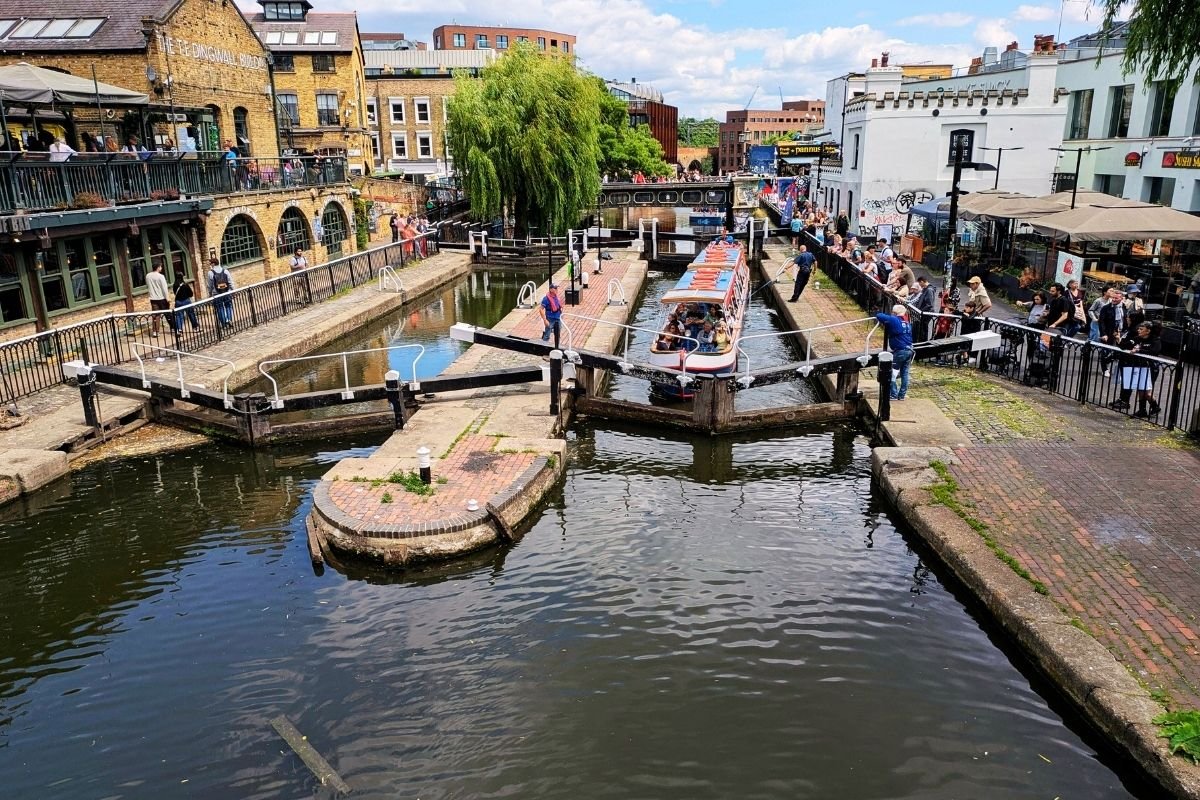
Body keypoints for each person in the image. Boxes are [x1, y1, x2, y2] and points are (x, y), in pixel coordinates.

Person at [1110, 321, 1161, 416]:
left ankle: (1155, 406)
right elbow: (1125, 345)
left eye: (1141, 329)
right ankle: (1142, 410)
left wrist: (1139, 350)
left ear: (1148, 331)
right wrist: (1118, 339)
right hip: (1141, 367)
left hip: (1151, 368)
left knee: (1147, 392)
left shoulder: (1155, 340)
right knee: (1141, 389)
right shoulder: (1138, 338)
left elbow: (1154, 352)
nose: (1138, 330)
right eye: (1139, 328)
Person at [875, 304, 914, 401]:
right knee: (905, 373)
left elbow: (879, 315)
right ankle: (902, 395)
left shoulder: (894, 319)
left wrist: (890, 316)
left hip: (900, 350)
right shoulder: (907, 322)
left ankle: (893, 394)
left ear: (894, 313)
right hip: (909, 349)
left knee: (892, 372)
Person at [146, 258, 171, 337]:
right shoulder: (161, 276)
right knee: (168, 314)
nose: (161, 268)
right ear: (158, 267)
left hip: (153, 299)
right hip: (162, 298)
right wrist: (167, 298)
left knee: (155, 315)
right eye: (160, 266)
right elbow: (164, 288)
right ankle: (174, 327)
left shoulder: (148, 276)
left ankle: (155, 331)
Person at [207, 257, 234, 327]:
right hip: (226, 291)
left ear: (213, 264)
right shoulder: (225, 271)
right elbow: (230, 282)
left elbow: (209, 285)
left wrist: (210, 294)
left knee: (220, 308)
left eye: (210, 264)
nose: (210, 265)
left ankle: (224, 323)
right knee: (228, 306)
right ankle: (229, 320)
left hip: (216, 293)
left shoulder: (210, 273)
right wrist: (233, 290)